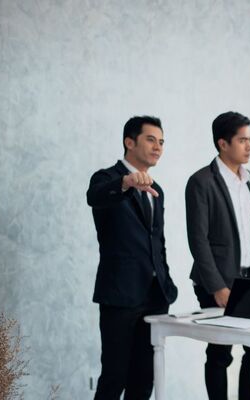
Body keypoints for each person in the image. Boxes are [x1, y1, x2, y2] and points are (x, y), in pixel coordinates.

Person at [87, 115, 178, 399]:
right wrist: (126, 183)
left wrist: (167, 282)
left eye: (161, 142)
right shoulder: (107, 179)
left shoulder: (157, 190)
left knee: (144, 380)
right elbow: (96, 196)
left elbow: (157, 244)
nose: (158, 147)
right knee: (114, 377)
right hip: (120, 296)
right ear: (130, 142)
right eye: (151, 139)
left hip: (155, 297)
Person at [185, 111, 250, 400]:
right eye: (242, 140)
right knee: (220, 352)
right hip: (219, 281)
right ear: (223, 143)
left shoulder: (247, 179)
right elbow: (198, 240)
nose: (249, 146)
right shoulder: (201, 182)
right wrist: (217, 287)